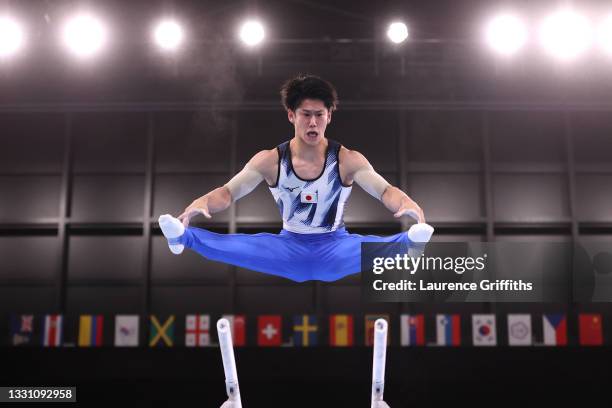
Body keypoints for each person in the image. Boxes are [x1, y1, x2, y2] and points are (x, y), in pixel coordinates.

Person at [158, 74, 433, 282]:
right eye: (305, 115)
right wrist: (203, 202)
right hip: (288, 247)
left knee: (371, 246)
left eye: (319, 115)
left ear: (329, 116)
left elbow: (385, 190)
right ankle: (183, 237)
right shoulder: (270, 161)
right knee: (240, 246)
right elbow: (228, 193)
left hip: (334, 247)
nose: (313, 123)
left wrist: (406, 202)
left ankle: (409, 244)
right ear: (291, 115)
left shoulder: (348, 160)